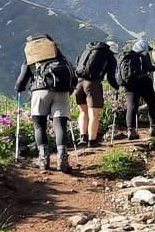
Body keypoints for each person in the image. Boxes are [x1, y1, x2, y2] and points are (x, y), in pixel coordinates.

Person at [15, 33, 75, 172]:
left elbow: (20, 83)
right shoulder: (60, 58)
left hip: (39, 92)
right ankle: (63, 160)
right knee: (60, 125)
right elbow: (73, 77)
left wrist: (20, 87)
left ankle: (43, 160)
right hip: (61, 92)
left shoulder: (30, 60)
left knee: (39, 126)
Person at [74, 41, 118, 147]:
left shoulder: (88, 50)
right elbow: (111, 77)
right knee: (94, 114)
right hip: (93, 84)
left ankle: (83, 137)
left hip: (78, 83)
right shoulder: (108, 56)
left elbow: (77, 64)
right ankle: (92, 141)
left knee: (83, 112)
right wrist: (117, 87)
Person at [119, 39, 155, 139]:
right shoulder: (143, 55)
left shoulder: (127, 56)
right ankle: (154, 128)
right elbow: (149, 68)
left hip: (129, 84)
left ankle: (131, 131)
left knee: (132, 106)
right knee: (152, 104)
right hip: (143, 82)